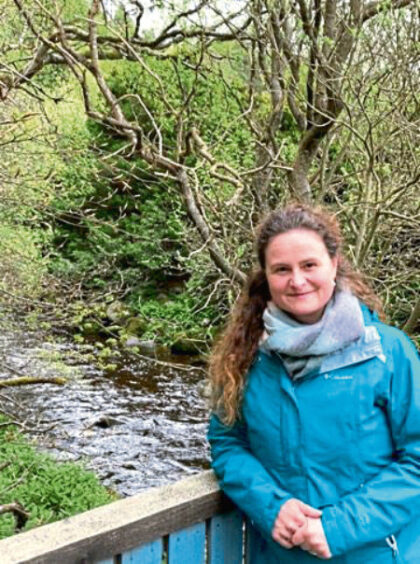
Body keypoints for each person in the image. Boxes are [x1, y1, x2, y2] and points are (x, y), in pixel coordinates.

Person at [207, 203, 420, 563]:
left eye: (309, 265)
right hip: (280, 556)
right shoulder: (244, 359)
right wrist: (271, 505)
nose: (297, 280)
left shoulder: (388, 352)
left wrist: (339, 528)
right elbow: (228, 443)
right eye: (282, 269)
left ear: (334, 265)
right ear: (266, 277)